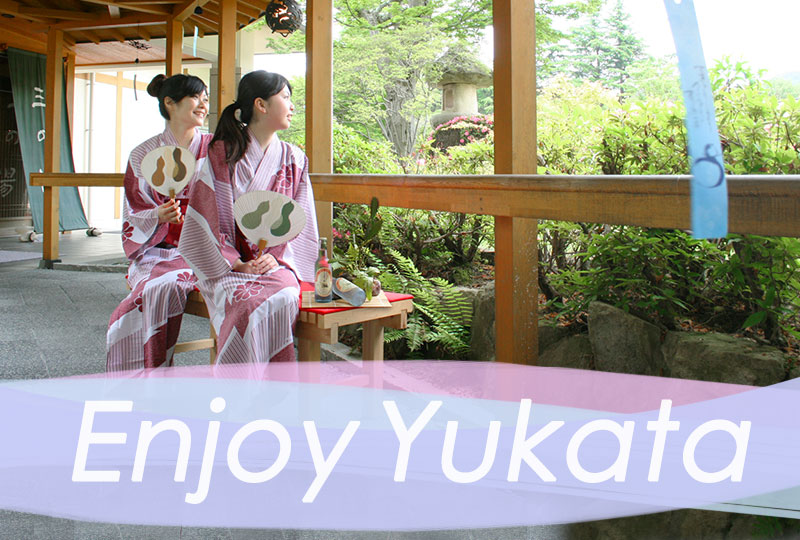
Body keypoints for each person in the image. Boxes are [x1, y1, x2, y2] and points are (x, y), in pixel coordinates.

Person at [179, 70, 318, 364]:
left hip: (274, 265)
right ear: (261, 105)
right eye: (285, 97)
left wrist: (277, 258)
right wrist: (238, 262)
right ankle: (241, 393)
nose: (292, 106)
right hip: (229, 266)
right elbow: (207, 217)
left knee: (281, 297)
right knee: (245, 303)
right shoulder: (221, 153)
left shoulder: (294, 158)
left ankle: (271, 393)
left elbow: (301, 221)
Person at [106, 74, 213, 371]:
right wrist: (158, 214)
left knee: (162, 287)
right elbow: (133, 209)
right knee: (155, 288)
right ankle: (147, 369)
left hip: (206, 248)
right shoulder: (142, 153)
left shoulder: (216, 148)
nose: (203, 105)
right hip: (159, 249)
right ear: (169, 102)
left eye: (206, 99)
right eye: (196, 98)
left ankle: (152, 369)